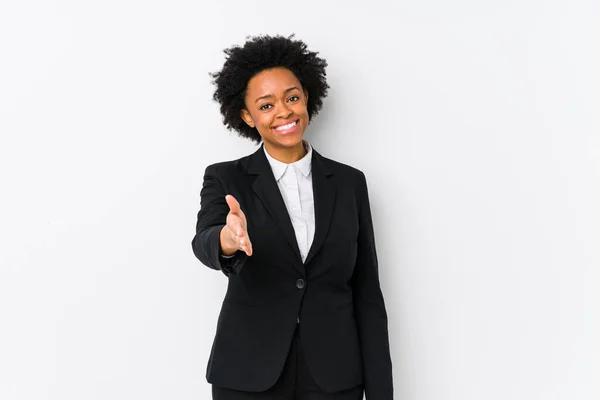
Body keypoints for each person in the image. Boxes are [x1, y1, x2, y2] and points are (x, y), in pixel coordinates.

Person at [191, 34, 393, 400]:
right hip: (248, 373)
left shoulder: (349, 183)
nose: (284, 112)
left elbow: (367, 293)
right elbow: (205, 239)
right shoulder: (226, 177)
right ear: (247, 116)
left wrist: (381, 392)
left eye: (292, 98)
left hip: (335, 377)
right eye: (266, 106)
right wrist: (227, 239)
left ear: (307, 99)